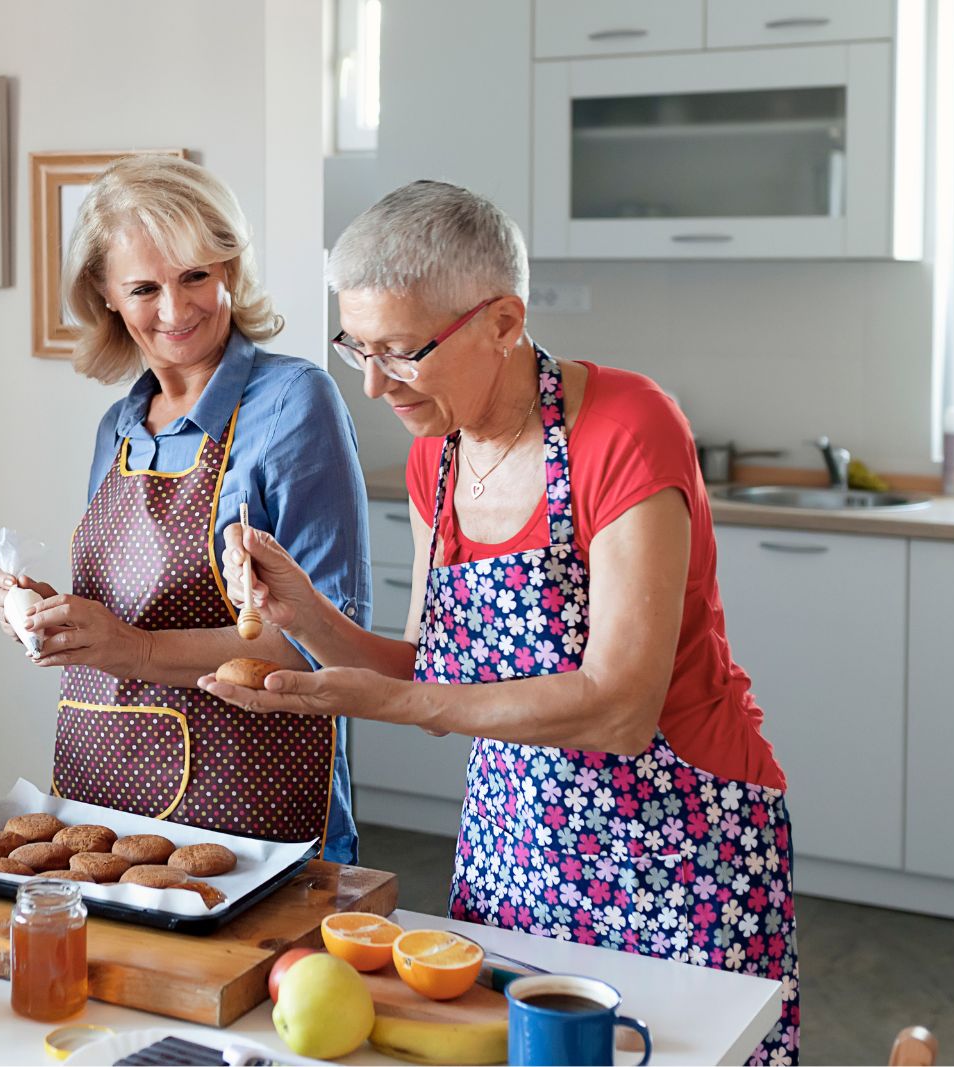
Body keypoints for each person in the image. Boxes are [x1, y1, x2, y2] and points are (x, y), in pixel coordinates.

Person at [203, 181, 798, 1063]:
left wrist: (388, 707)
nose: (371, 385)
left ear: (504, 322)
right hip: (516, 839)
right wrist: (305, 611)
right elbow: (437, 669)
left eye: (401, 351)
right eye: (355, 348)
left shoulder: (627, 427)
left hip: (680, 840)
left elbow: (619, 708)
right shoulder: (433, 457)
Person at [0, 155, 369, 864]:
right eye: (143, 288)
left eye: (196, 274)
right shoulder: (119, 426)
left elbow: (323, 648)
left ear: (229, 267)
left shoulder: (294, 403)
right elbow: (124, 613)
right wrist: (60, 620)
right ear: (105, 296)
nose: (176, 308)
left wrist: (130, 649)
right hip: (102, 804)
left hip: (253, 812)